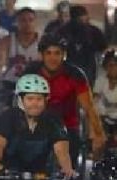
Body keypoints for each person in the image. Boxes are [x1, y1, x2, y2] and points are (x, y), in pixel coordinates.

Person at [23, 34, 105, 168]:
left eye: (57, 53)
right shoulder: (31, 72)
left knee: (69, 168)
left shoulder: (75, 75)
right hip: (36, 126)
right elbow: (21, 103)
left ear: (64, 55)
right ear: (41, 55)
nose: (53, 58)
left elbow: (89, 107)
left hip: (67, 127)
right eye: (48, 53)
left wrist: (98, 133)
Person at [55, 5, 107, 86]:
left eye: (85, 20)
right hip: (67, 72)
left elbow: (102, 49)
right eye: (80, 20)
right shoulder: (62, 32)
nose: (83, 23)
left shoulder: (94, 32)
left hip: (88, 72)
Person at [0, 7, 40, 90]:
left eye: (31, 20)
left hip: (37, 86)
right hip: (11, 85)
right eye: (23, 20)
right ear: (17, 22)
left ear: (36, 22)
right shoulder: (6, 41)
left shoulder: (43, 42)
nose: (27, 23)